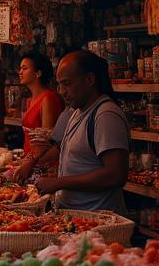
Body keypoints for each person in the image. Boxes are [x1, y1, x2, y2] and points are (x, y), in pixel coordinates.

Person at [21, 51, 130, 214]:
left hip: (98, 219)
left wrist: (59, 182)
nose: (61, 91)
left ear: (90, 79)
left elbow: (115, 175)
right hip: (76, 217)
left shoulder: (106, 115)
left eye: (67, 84)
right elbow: (61, 149)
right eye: (59, 84)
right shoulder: (77, 111)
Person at [18, 52, 63, 154]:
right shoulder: (29, 100)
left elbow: (46, 141)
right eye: (20, 68)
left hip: (42, 162)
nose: (20, 72)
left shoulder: (48, 98)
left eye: (24, 69)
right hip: (29, 159)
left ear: (38, 73)